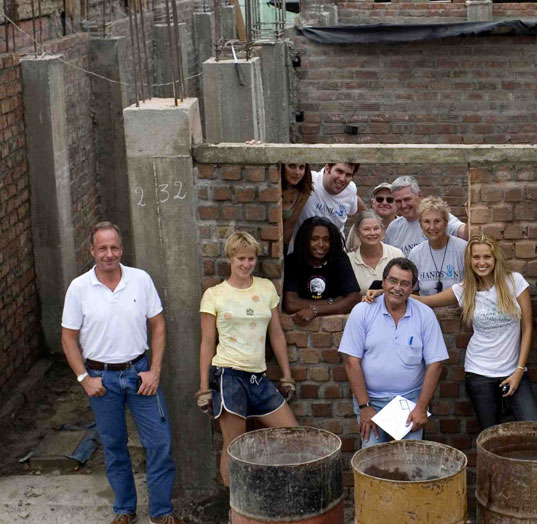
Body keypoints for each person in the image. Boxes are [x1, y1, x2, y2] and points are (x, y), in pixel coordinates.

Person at [61, 222, 186, 524]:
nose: (109, 254)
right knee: (114, 445)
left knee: (159, 442)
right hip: (101, 379)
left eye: (114, 247)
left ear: (121, 248)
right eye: (102, 248)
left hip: (139, 373)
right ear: (91, 250)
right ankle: (124, 509)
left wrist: (154, 370)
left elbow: (157, 324)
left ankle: (161, 512)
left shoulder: (140, 280)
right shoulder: (79, 288)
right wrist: (83, 379)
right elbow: (68, 337)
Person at [408, 234, 537, 430]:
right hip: (479, 372)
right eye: (476, 257)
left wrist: (519, 371)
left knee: (533, 427)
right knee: (489, 435)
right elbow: (426, 301)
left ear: (495, 259)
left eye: (487, 257)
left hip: (514, 370)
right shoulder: (464, 289)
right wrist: (382, 292)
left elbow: (527, 328)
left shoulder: (514, 282)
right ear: (469, 261)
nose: (481, 262)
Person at [197, 232, 297, 487]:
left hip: (258, 376)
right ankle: (236, 507)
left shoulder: (265, 288)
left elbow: (275, 334)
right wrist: (204, 388)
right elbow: (207, 342)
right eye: (241, 258)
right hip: (228, 375)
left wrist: (286, 375)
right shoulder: (214, 294)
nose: (246, 264)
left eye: (251, 259)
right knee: (234, 445)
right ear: (230, 259)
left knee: (292, 433)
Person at [339, 258, 449, 446]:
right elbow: (351, 362)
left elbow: (436, 365)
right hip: (371, 400)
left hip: (409, 401)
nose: (398, 288)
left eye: (405, 284)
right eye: (393, 281)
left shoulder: (424, 315)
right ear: (383, 282)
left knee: (411, 461)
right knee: (371, 460)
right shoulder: (363, 311)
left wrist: (421, 408)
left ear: (412, 288)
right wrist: (365, 407)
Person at [283, 217, 360, 322]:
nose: (321, 244)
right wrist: (332, 302)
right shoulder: (294, 260)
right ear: (305, 240)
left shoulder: (339, 258)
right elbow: (291, 304)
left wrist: (315, 311)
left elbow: (354, 299)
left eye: (326, 239)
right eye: (314, 239)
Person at [290, 162, 366, 253]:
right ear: (327, 168)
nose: (342, 179)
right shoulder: (308, 181)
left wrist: (359, 236)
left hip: (333, 254)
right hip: (302, 252)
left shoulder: (350, 189)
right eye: (339, 171)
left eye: (348, 175)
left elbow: (362, 210)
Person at [384, 176, 468, 255]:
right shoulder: (393, 229)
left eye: (407, 199)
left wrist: (472, 216)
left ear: (419, 195)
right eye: (398, 201)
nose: (403, 205)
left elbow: (465, 233)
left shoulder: (438, 218)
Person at [407, 197, 469, 296]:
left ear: (446, 223)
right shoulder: (416, 254)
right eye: (427, 221)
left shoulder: (463, 250)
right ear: (420, 224)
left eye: (437, 221)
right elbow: (413, 291)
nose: (432, 227)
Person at [347, 210, 404, 294]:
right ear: (357, 232)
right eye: (366, 229)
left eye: (376, 228)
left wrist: (381, 292)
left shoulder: (396, 255)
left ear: (382, 230)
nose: (372, 233)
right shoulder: (349, 260)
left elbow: (405, 286)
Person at [281, 163, 312, 249]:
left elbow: (290, 227)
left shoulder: (303, 192)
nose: (297, 172)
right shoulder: (273, 187)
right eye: (292, 166)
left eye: (302, 167)